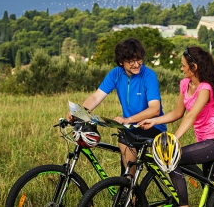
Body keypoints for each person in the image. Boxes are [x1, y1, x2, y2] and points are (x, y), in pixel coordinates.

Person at [138, 46, 214, 207]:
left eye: (183, 65)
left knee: (174, 159)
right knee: (212, 199)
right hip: (204, 142)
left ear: (194, 68)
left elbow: (191, 115)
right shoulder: (185, 84)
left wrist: (174, 138)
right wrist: (154, 121)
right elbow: (178, 112)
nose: (181, 68)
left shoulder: (205, 89)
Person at [66, 38, 166, 175]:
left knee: (125, 140)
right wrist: (78, 112)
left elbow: (155, 109)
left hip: (152, 126)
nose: (137, 64)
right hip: (130, 126)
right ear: (121, 62)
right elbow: (96, 97)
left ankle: (130, 189)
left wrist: (128, 119)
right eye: (131, 61)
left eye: (139, 60)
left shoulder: (148, 75)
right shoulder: (115, 74)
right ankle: (128, 188)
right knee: (126, 141)